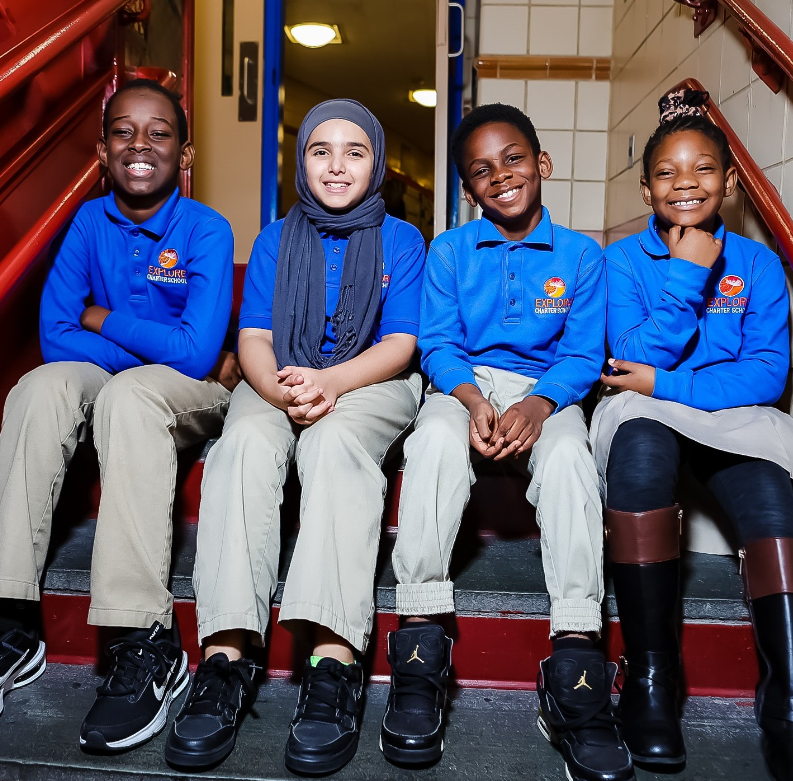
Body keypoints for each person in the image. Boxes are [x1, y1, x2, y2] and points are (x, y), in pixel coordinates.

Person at [166, 99, 425, 775]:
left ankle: (332, 662)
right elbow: (254, 336)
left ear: (376, 165)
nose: (336, 166)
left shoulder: (402, 239)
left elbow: (400, 341)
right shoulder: (277, 237)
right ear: (300, 160)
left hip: (369, 378)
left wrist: (332, 382)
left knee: (332, 447)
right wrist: (281, 389)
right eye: (320, 150)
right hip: (277, 373)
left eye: (354, 151)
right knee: (242, 447)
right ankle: (224, 656)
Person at [382, 103, 634, 781]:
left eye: (514, 158)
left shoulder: (581, 254)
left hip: (546, 385)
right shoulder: (449, 249)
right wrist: (467, 399)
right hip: (462, 384)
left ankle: (576, 659)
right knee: (431, 442)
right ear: (468, 190)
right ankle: (419, 641)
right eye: (482, 170)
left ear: (541, 163)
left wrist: (538, 401)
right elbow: (436, 341)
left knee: (567, 457)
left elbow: (583, 353)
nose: (501, 175)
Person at [0, 79, 237, 750]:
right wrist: (130, 350)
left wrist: (103, 318)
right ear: (102, 152)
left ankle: (144, 638)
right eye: (123, 132)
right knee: (40, 386)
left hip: (191, 394)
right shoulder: (86, 222)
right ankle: (10, 620)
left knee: (129, 397)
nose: (141, 144)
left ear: (184, 154)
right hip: (119, 380)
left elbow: (195, 355)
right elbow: (54, 334)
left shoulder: (205, 230)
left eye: (159, 132)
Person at [591, 88, 793, 780]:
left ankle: (786, 697)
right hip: (645, 412)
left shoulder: (760, 266)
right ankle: (652, 683)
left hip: (723, 417)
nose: (685, 184)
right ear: (646, 187)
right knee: (641, 443)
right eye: (668, 173)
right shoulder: (619, 263)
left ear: (730, 182)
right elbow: (626, 359)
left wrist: (665, 382)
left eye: (703, 170)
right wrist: (684, 274)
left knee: (769, 490)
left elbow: (763, 375)